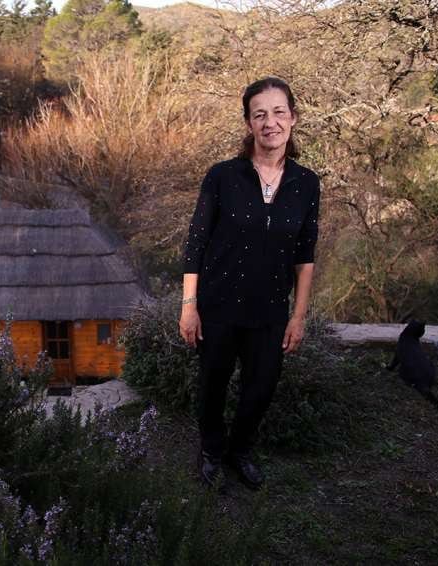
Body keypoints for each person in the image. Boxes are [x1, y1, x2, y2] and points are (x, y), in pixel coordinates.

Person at [178, 76, 320, 489]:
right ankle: (211, 450)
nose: (270, 122)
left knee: (260, 389)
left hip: (270, 311)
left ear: (293, 118)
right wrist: (189, 306)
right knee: (213, 385)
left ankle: (240, 450)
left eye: (278, 112)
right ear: (248, 123)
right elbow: (196, 244)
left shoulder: (306, 183)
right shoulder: (222, 177)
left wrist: (298, 316)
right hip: (218, 306)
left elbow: (305, 256)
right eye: (260, 114)